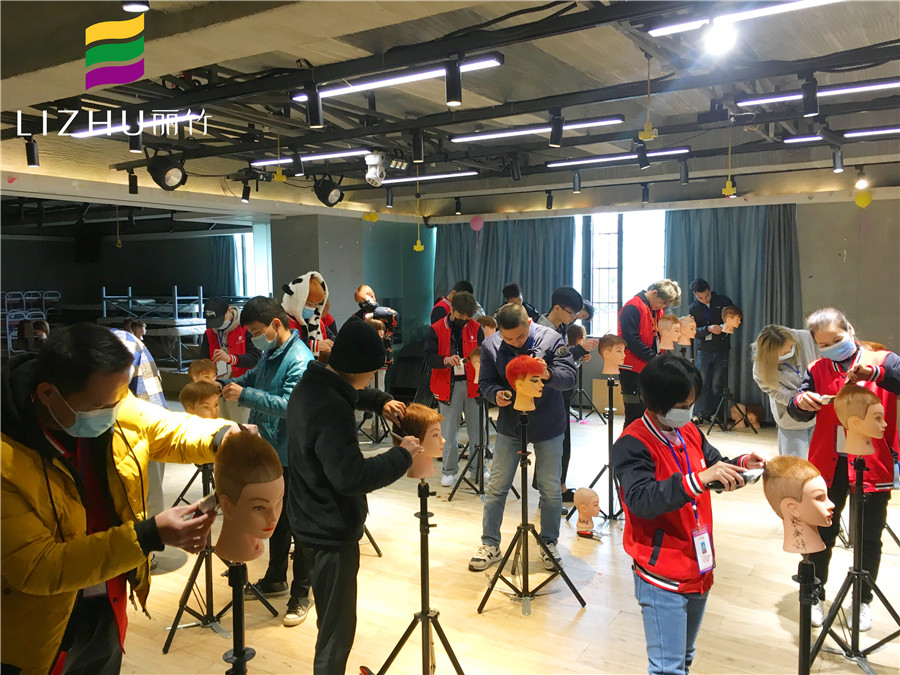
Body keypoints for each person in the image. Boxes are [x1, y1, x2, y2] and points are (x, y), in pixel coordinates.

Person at [0, 323, 245, 675]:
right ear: (48, 393)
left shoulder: (109, 400)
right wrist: (148, 536)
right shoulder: (8, 461)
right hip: (34, 631)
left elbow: (164, 428)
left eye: (120, 400)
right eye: (101, 406)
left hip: (108, 602)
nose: (113, 412)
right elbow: (39, 566)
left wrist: (221, 436)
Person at [611, 352, 765, 675]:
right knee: (668, 668)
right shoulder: (632, 443)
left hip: (698, 563)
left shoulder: (688, 430)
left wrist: (741, 464)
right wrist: (698, 480)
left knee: (685, 657)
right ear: (657, 404)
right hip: (661, 573)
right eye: (682, 406)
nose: (689, 411)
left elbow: (712, 466)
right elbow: (640, 499)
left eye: (692, 403)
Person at [286, 318, 420, 675]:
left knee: (332, 623)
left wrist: (381, 402)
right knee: (337, 631)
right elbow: (351, 477)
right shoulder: (331, 407)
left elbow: (350, 392)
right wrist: (402, 455)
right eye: (373, 372)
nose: (373, 378)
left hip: (307, 517)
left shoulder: (313, 384)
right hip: (329, 531)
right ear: (361, 368)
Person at [787, 307, 897, 631]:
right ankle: (814, 594)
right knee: (821, 533)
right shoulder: (816, 368)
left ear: (850, 330)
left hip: (871, 463)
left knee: (868, 536)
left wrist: (874, 374)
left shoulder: (883, 359)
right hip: (828, 463)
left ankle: (862, 599)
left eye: (836, 339)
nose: (831, 348)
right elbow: (797, 407)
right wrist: (801, 402)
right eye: (823, 344)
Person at [220, 296, 316, 628]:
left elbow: (290, 405)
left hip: (295, 454)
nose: (255, 338)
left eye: (257, 332)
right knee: (276, 521)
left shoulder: (300, 359)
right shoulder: (271, 352)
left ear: (276, 324)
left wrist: (244, 396)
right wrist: (227, 384)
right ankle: (276, 578)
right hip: (272, 450)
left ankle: (301, 593)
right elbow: (253, 378)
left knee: (299, 525)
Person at [469, 303, 577, 572]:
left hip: (549, 423)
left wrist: (547, 374)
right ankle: (490, 543)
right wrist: (495, 394)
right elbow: (485, 383)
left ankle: (548, 542)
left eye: (520, 336)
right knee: (497, 486)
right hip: (511, 424)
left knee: (550, 488)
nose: (515, 342)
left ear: (529, 322)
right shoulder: (491, 345)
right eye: (508, 339)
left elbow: (569, 378)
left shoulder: (551, 339)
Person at [537, 286, 600, 501]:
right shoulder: (542, 330)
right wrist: (580, 349)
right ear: (557, 308)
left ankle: (558, 488)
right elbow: (550, 363)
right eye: (571, 313)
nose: (574, 318)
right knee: (552, 445)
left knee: (562, 444)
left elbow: (564, 361)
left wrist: (579, 355)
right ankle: (551, 493)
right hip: (548, 394)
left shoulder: (560, 327)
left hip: (560, 392)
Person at [423, 291, 485, 486]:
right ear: (451, 310)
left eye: (468, 317)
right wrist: (445, 360)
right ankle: (448, 471)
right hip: (447, 385)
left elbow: (483, 353)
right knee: (449, 432)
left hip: (474, 384)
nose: (464, 320)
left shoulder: (476, 328)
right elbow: (428, 357)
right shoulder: (435, 329)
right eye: (460, 316)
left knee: (478, 431)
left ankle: (478, 469)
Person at [617, 279, 682, 426]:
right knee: (634, 414)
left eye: (665, 305)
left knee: (649, 414)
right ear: (654, 293)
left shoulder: (656, 309)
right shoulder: (632, 307)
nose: (662, 307)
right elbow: (631, 340)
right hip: (631, 368)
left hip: (649, 366)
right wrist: (655, 358)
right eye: (662, 303)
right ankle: (628, 440)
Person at [752, 325, 819, 458]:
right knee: (793, 464)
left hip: (820, 415)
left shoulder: (805, 338)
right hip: (791, 419)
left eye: (791, 347)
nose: (790, 351)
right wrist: (800, 399)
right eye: (783, 353)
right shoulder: (761, 369)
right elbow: (778, 393)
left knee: (821, 461)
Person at [201, 297, 261, 422]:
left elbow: (256, 357)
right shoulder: (209, 333)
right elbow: (203, 360)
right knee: (221, 424)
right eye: (212, 322)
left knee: (241, 425)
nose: (216, 326)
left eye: (219, 320)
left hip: (240, 386)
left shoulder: (246, 327)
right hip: (217, 386)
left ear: (229, 311)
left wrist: (232, 359)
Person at [687, 279, 736, 423]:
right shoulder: (693, 308)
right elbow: (692, 331)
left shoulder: (723, 301)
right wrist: (707, 329)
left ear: (710, 290)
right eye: (700, 297)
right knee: (701, 382)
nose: (705, 299)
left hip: (721, 347)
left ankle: (714, 414)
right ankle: (698, 414)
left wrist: (724, 326)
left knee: (717, 384)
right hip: (703, 349)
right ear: (695, 295)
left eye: (707, 295)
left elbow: (736, 318)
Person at [281, 271, 335, 359]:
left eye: (316, 305)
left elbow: (332, 338)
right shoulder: (282, 321)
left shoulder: (316, 321)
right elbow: (287, 346)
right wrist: (313, 345)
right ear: (295, 299)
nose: (312, 308)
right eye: (309, 304)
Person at [353, 284, 400, 366]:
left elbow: (395, 316)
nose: (362, 305)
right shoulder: (359, 316)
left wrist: (373, 314)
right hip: (366, 356)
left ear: (372, 296)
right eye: (359, 303)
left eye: (364, 301)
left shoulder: (384, 313)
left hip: (383, 355)